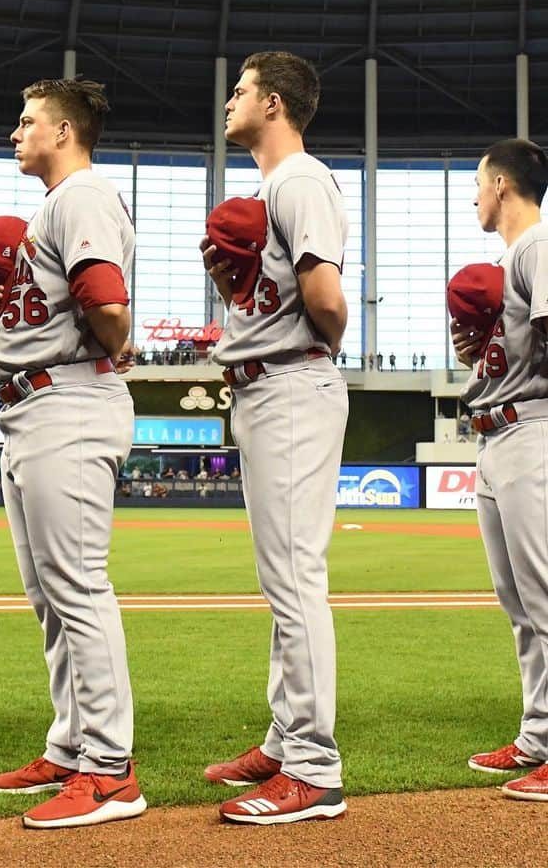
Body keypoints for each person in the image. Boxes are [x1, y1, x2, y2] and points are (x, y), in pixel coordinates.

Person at [0, 77, 145, 829]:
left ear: (65, 131)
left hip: (69, 400)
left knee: (77, 588)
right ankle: (73, 744)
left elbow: (106, 301)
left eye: (27, 120)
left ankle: (111, 768)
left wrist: (115, 339)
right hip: (35, 405)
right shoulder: (56, 204)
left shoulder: (81, 196)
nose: (16, 132)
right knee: (51, 598)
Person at [200, 51, 349, 825]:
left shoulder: (298, 178)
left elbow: (329, 303)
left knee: (294, 581)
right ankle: (286, 738)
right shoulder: (272, 184)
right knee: (281, 581)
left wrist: (287, 334)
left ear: (277, 103)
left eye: (242, 90)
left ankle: (316, 771)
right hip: (269, 384)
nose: (231, 100)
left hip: (294, 383)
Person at [450, 138, 548, 802]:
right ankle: (539, 735)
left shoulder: (538, 245)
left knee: (543, 595)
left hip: (533, 431)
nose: (476, 198)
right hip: (495, 435)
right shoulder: (509, 258)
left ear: (504, 185)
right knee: (519, 602)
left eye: (479, 186)